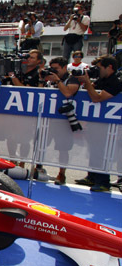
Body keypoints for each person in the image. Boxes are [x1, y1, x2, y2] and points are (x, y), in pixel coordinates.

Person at [74, 55, 122, 192]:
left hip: (112, 124)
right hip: (99, 122)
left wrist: (87, 82)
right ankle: (92, 176)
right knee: (94, 149)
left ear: (109, 67)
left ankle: (103, 182)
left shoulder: (116, 80)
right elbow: (92, 91)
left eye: (99, 68)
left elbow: (97, 98)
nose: (98, 70)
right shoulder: (104, 79)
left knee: (103, 151)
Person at [43, 56, 82, 185]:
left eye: (56, 69)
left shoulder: (72, 79)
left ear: (65, 67)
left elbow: (68, 93)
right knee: (41, 145)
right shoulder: (49, 78)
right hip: (48, 118)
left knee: (63, 148)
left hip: (64, 119)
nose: (53, 71)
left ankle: (62, 174)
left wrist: (58, 81)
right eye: (51, 68)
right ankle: (38, 168)